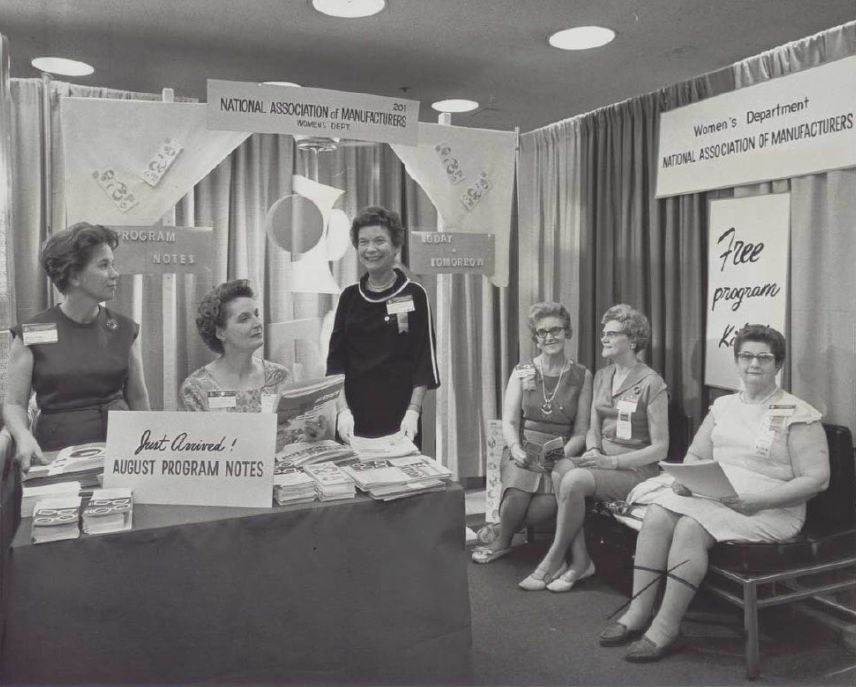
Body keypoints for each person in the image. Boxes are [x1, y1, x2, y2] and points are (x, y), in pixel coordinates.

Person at [599, 324, 829, 662]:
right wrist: (687, 480)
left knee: (691, 526)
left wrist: (757, 501)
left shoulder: (798, 413)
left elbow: (817, 479)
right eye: (746, 356)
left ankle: (666, 628)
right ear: (736, 361)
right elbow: (695, 454)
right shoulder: (724, 406)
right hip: (720, 497)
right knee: (658, 514)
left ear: (778, 364)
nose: (754, 364)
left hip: (772, 509)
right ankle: (638, 610)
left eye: (764, 358)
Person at [521, 304, 669, 592]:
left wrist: (612, 463)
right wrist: (592, 450)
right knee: (559, 466)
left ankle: (553, 559)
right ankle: (580, 560)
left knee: (573, 480)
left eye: (612, 334)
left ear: (633, 340)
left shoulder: (652, 383)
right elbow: (592, 427)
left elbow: (661, 448)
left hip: (635, 470)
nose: (604, 338)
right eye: (604, 333)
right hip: (601, 462)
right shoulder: (602, 376)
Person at [3, 222, 150, 470]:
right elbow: (14, 404)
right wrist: (23, 436)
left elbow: (138, 397)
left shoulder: (125, 329)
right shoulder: (31, 333)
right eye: (104, 265)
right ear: (74, 276)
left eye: (112, 264)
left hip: (121, 450)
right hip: (56, 453)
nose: (115, 274)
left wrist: (147, 447)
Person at [471, 302, 592, 575]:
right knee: (517, 494)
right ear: (536, 338)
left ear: (567, 332)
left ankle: (502, 528)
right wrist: (514, 448)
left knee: (547, 504)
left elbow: (581, 431)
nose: (549, 337)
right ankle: (502, 542)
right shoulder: (522, 370)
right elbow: (510, 421)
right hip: (524, 446)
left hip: (561, 450)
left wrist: (561, 455)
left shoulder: (582, 375)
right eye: (542, 332)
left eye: (555, 330)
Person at [326, 206, 439, 444]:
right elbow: (336, 364)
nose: (371, 249)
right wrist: (342, 412)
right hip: (353, 420)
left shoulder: (413, 294)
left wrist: (413, 411)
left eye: (379, 241)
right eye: (363, 242)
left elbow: (424, 361)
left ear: (396, 246)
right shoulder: (349, 297)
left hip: (400, 418)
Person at [179, 279, 293, 449]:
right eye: (244, 318)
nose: (258, 323)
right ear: (221, 333)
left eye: (256, 314)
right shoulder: (196, 388)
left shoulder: (280, 377)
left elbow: (294, 435)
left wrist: (311, 434)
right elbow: (198, 451)